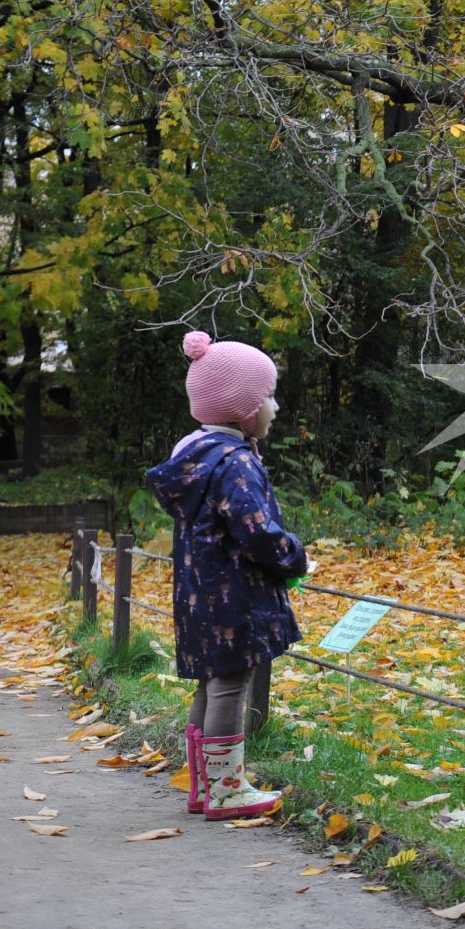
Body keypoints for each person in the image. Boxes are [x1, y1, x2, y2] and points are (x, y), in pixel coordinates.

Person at [144, 331, 309, 820]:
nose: (275, 407)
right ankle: (227, 790)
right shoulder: (234, 462)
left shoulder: (194, 457)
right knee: (230, 686)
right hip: (233, 597)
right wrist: (294, 558)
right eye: (267, 397)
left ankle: (205, 787)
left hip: (199, 595)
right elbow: (257, 531)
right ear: (240, 409)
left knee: (210, 684)